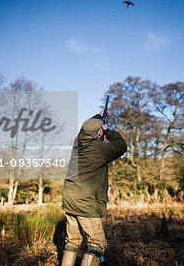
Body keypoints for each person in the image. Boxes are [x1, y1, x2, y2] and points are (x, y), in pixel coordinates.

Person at [61, 110, 127, 266]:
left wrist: (99, 116)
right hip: (86, 203)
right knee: (97, 244)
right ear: (98, 133)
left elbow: (85, 128)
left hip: (70, 200)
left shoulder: (78, 143)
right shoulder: (99, 149)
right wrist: (108, 131)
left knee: (73, 241)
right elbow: (121, 146)